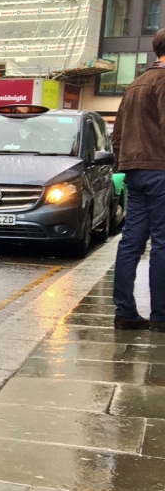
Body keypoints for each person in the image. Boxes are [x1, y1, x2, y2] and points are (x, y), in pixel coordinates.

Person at [112, 26, 165, 331]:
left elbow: (118, 134)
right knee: (162, 242)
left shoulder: (137, 83)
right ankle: (160, 315)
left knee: (131, 241)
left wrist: (126, 162)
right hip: (160, 170)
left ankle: (124, 311)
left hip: (134, 171)